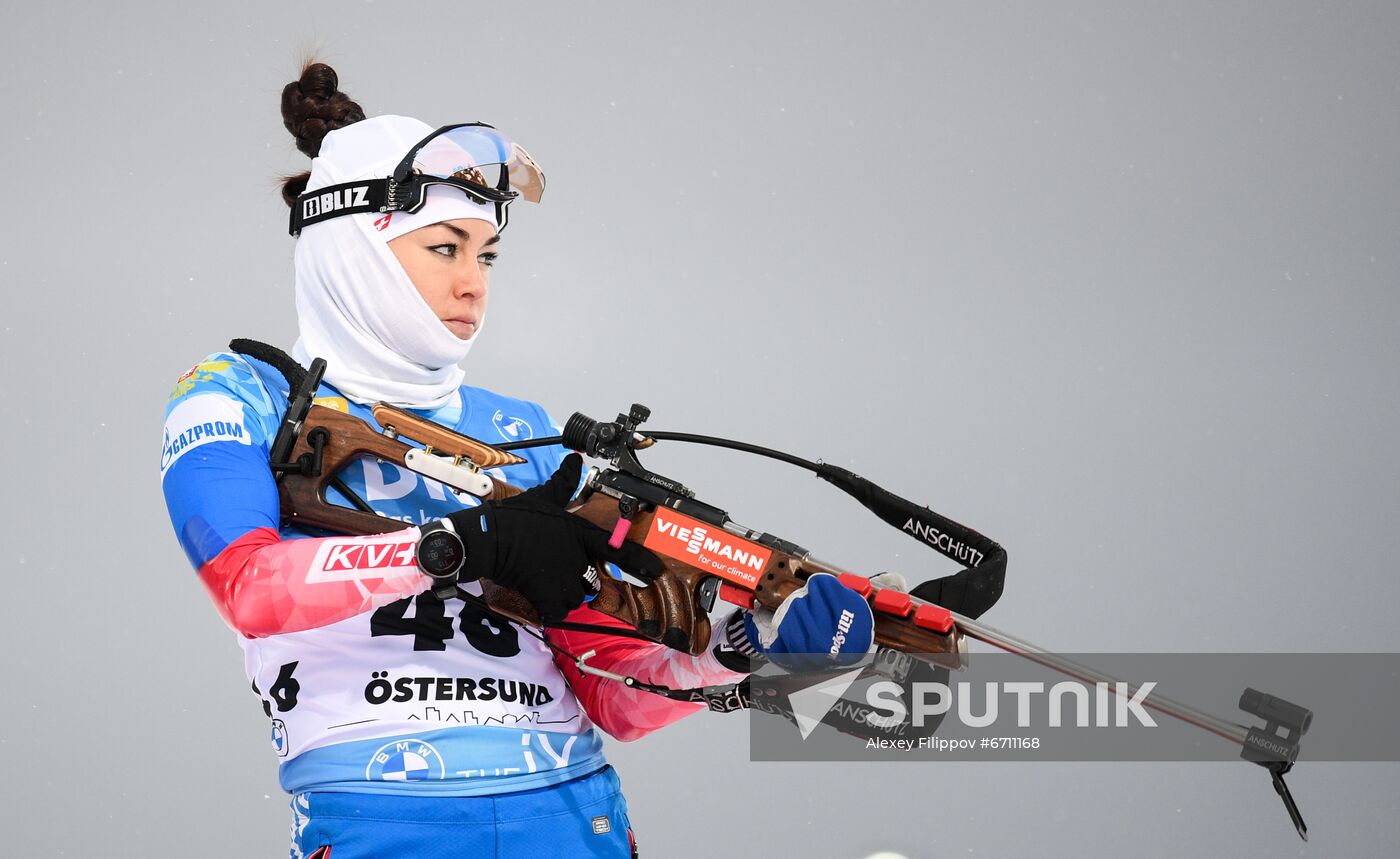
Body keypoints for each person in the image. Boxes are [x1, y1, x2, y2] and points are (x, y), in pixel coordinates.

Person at [161, 62, 876, 858]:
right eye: (445, 248)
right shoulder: (236, 393)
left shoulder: (520, 428)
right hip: (380, 819)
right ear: (350, 249)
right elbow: (249, 586)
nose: (474, 285)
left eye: (488, 256)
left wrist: (737, 652)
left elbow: (609, 690)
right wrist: (461, 545)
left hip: (574, 817)